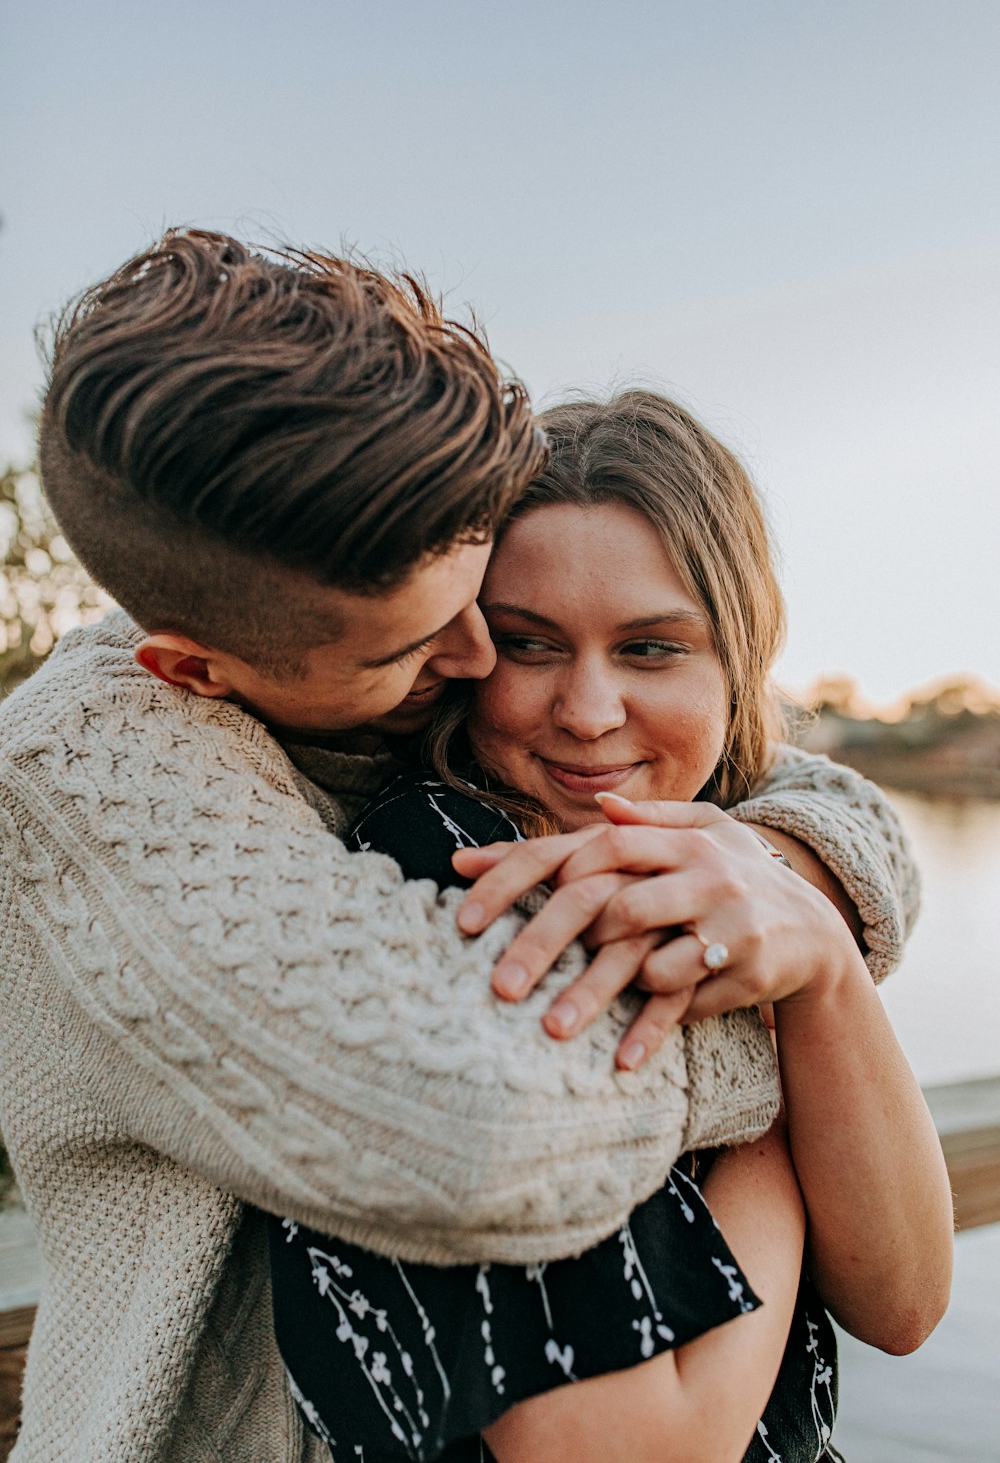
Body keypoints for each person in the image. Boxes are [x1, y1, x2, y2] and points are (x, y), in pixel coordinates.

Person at [0, 231, 929, 1463]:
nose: (513, 680)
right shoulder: (381, 855)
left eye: (653, 648)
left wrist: (804, 910)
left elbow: (905, 1305)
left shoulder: (700, 855)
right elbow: (487, 1131)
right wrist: (767, 1012)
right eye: (508, 637)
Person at [269, 391, 953, 1462]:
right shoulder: (445, 876)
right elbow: (633, 1453)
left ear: (738, 660)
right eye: (530, 646)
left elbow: (904, 1304)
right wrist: (776, 1103)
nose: (587, 712)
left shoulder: (737, 860)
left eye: (648, 650)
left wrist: (821, 967)